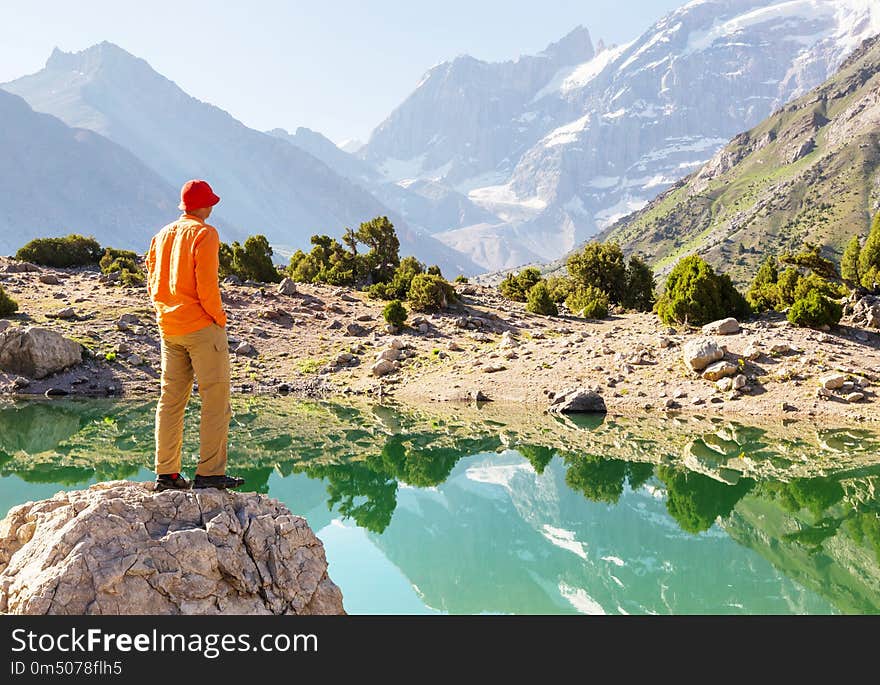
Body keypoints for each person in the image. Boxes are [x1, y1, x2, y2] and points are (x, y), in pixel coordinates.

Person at [145, 179, 244, 492]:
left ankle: (168, 474)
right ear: (203, 205)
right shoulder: (204, 233)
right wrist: (219, 319)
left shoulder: (161, 235)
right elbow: (206, 286)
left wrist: (162, 311)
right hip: (201, 328)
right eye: (211, 202)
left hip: (169, 328)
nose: (213, 207)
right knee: (215, 400)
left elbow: (150, 276)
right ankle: (209, 474)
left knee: (171, 400)